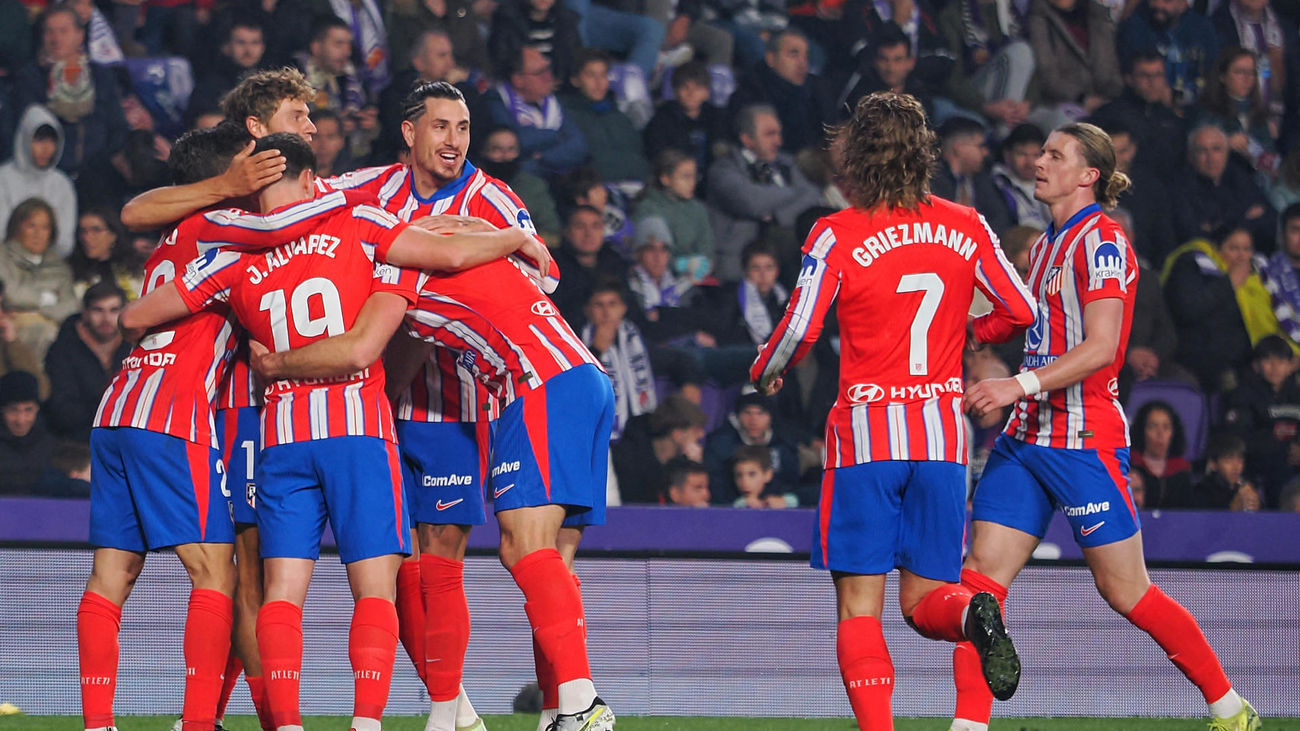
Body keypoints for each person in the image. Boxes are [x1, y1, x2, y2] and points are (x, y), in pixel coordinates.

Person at [118, 133, 544, 731]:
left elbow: (134, 315)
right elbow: (444, 255)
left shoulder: (236, 249)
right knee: (374, 590)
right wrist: (516, 237)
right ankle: (366, 724)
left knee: (282, 594)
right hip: (358, 431)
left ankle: (287, 726)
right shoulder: (358, 221)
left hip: (281, 437)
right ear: (313, 178)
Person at [960, 122, 1260, 730]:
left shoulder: (1103, 243)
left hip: (1085, 443)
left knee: (1126, 592)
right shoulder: (1045, 245)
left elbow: (1102, 350)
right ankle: (968, 726)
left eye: (1054, 154)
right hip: (1024, 442)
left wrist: (1013, 383)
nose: (1039, 162)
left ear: (1088, 174)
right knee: (978, 593)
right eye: (1040, 152)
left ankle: (1230, 708)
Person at [750, 92, 1038, 728]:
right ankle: (973, 614)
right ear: (923, 155)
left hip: (865, 436)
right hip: (940, 439)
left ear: (857, 155)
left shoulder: (836, 232)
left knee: (860, 608)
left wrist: (765, 373)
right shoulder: (966, 223)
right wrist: (969, 332)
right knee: (925, 602)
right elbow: (1022, 309)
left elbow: (799, 331)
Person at [324, 80, 555, 730]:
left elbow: (544, 275)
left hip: (454, 407)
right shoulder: (366, 191)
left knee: (442, 553)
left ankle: (442, 714)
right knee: (386, 562)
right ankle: (457, 707)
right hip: (371, 408)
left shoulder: (495, 199)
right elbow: (307, 224)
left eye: (462, 127)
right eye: (441, 126)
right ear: (409, 131)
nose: (454, 140)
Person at [118, 66, 318, 232]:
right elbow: (133, 214)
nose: (311, 128)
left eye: (307, 116)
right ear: (256, 126)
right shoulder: (222, 166)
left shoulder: (304, 178)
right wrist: (226, 185)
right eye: (296, 117)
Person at [705, 104, 823, 282]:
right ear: (747, 139)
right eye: (769, 134)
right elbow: (751, 202)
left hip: (788, 258)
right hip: (740, 264)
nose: (778, 141)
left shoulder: (787, 163)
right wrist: (793, 194)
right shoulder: (722, 170)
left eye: (778, 133)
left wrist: (775, 215)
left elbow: (813, 198)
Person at [44, 282, 130, 442]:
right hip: (73, 440)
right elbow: (62, 410)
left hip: (126, 436)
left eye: (114, 310)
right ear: (85, 313)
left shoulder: (134, 345)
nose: (106, 319)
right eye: (98, 310)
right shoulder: (63, 349)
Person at [1221, 334, 1300, 504]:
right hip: (1260, 466)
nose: (1275, 367)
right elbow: (1240, 440)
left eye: (1281, 361)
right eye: (1268, 361)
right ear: (1257, 365)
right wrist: (1284, 448)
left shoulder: (1297, 396)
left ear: (1290, 365)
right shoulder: (1243, 396)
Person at [0, 196, 77, 361]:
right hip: (10, 330)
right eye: (31, 226)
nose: (38, 233)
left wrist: (38, 311)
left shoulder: (59, 266)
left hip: (51, 327)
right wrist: (47, 299)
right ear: (16, 227)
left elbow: (70, 308)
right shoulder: (2, 256)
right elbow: (10, 294)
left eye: (45, 227)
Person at [0, 104, 77, 258]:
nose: (46, 148)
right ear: (25, 139)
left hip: (51, 263)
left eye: (51, 141)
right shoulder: (3, 178)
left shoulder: (61, 183)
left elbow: (65, 239)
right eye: (39, 140)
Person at [931, 117, 1015, 235]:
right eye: (980, 146)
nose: (985, 152)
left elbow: (1000, 218)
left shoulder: (982, 178)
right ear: (959, 148)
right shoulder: (932, 180)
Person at [1129, 400, 1196, 507]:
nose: (1160, 434)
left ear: (1173, 433)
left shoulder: (1182, 472)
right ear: (1142, 431)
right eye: (1152, 426)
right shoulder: (1128, 467)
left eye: (1166, 427)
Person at [0, 370, 55, 495]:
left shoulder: (51, 447)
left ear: (37, 409)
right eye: (13, 410)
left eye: (28, 410)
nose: (21, 420)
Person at [68, 208, 141, 301]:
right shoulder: (69, 272)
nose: (87, 237)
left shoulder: (136, 269)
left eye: (96, 230)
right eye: (83, 231)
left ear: (113, 234)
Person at [1184, 432, 1263, 508]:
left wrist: (1256, 506)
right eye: (1228, 460)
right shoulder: (1201, 493)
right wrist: (1233, 509)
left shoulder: (1244, 490)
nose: (1236, 467)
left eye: (1240, 460)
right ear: (1213, 464)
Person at [730, 444, 798, 508]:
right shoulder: (735, 499)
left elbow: (794, 500)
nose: (745, 482)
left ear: (768, 475)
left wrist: (783, 502)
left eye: (752, 474)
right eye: (739, 475)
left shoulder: (778, 490)